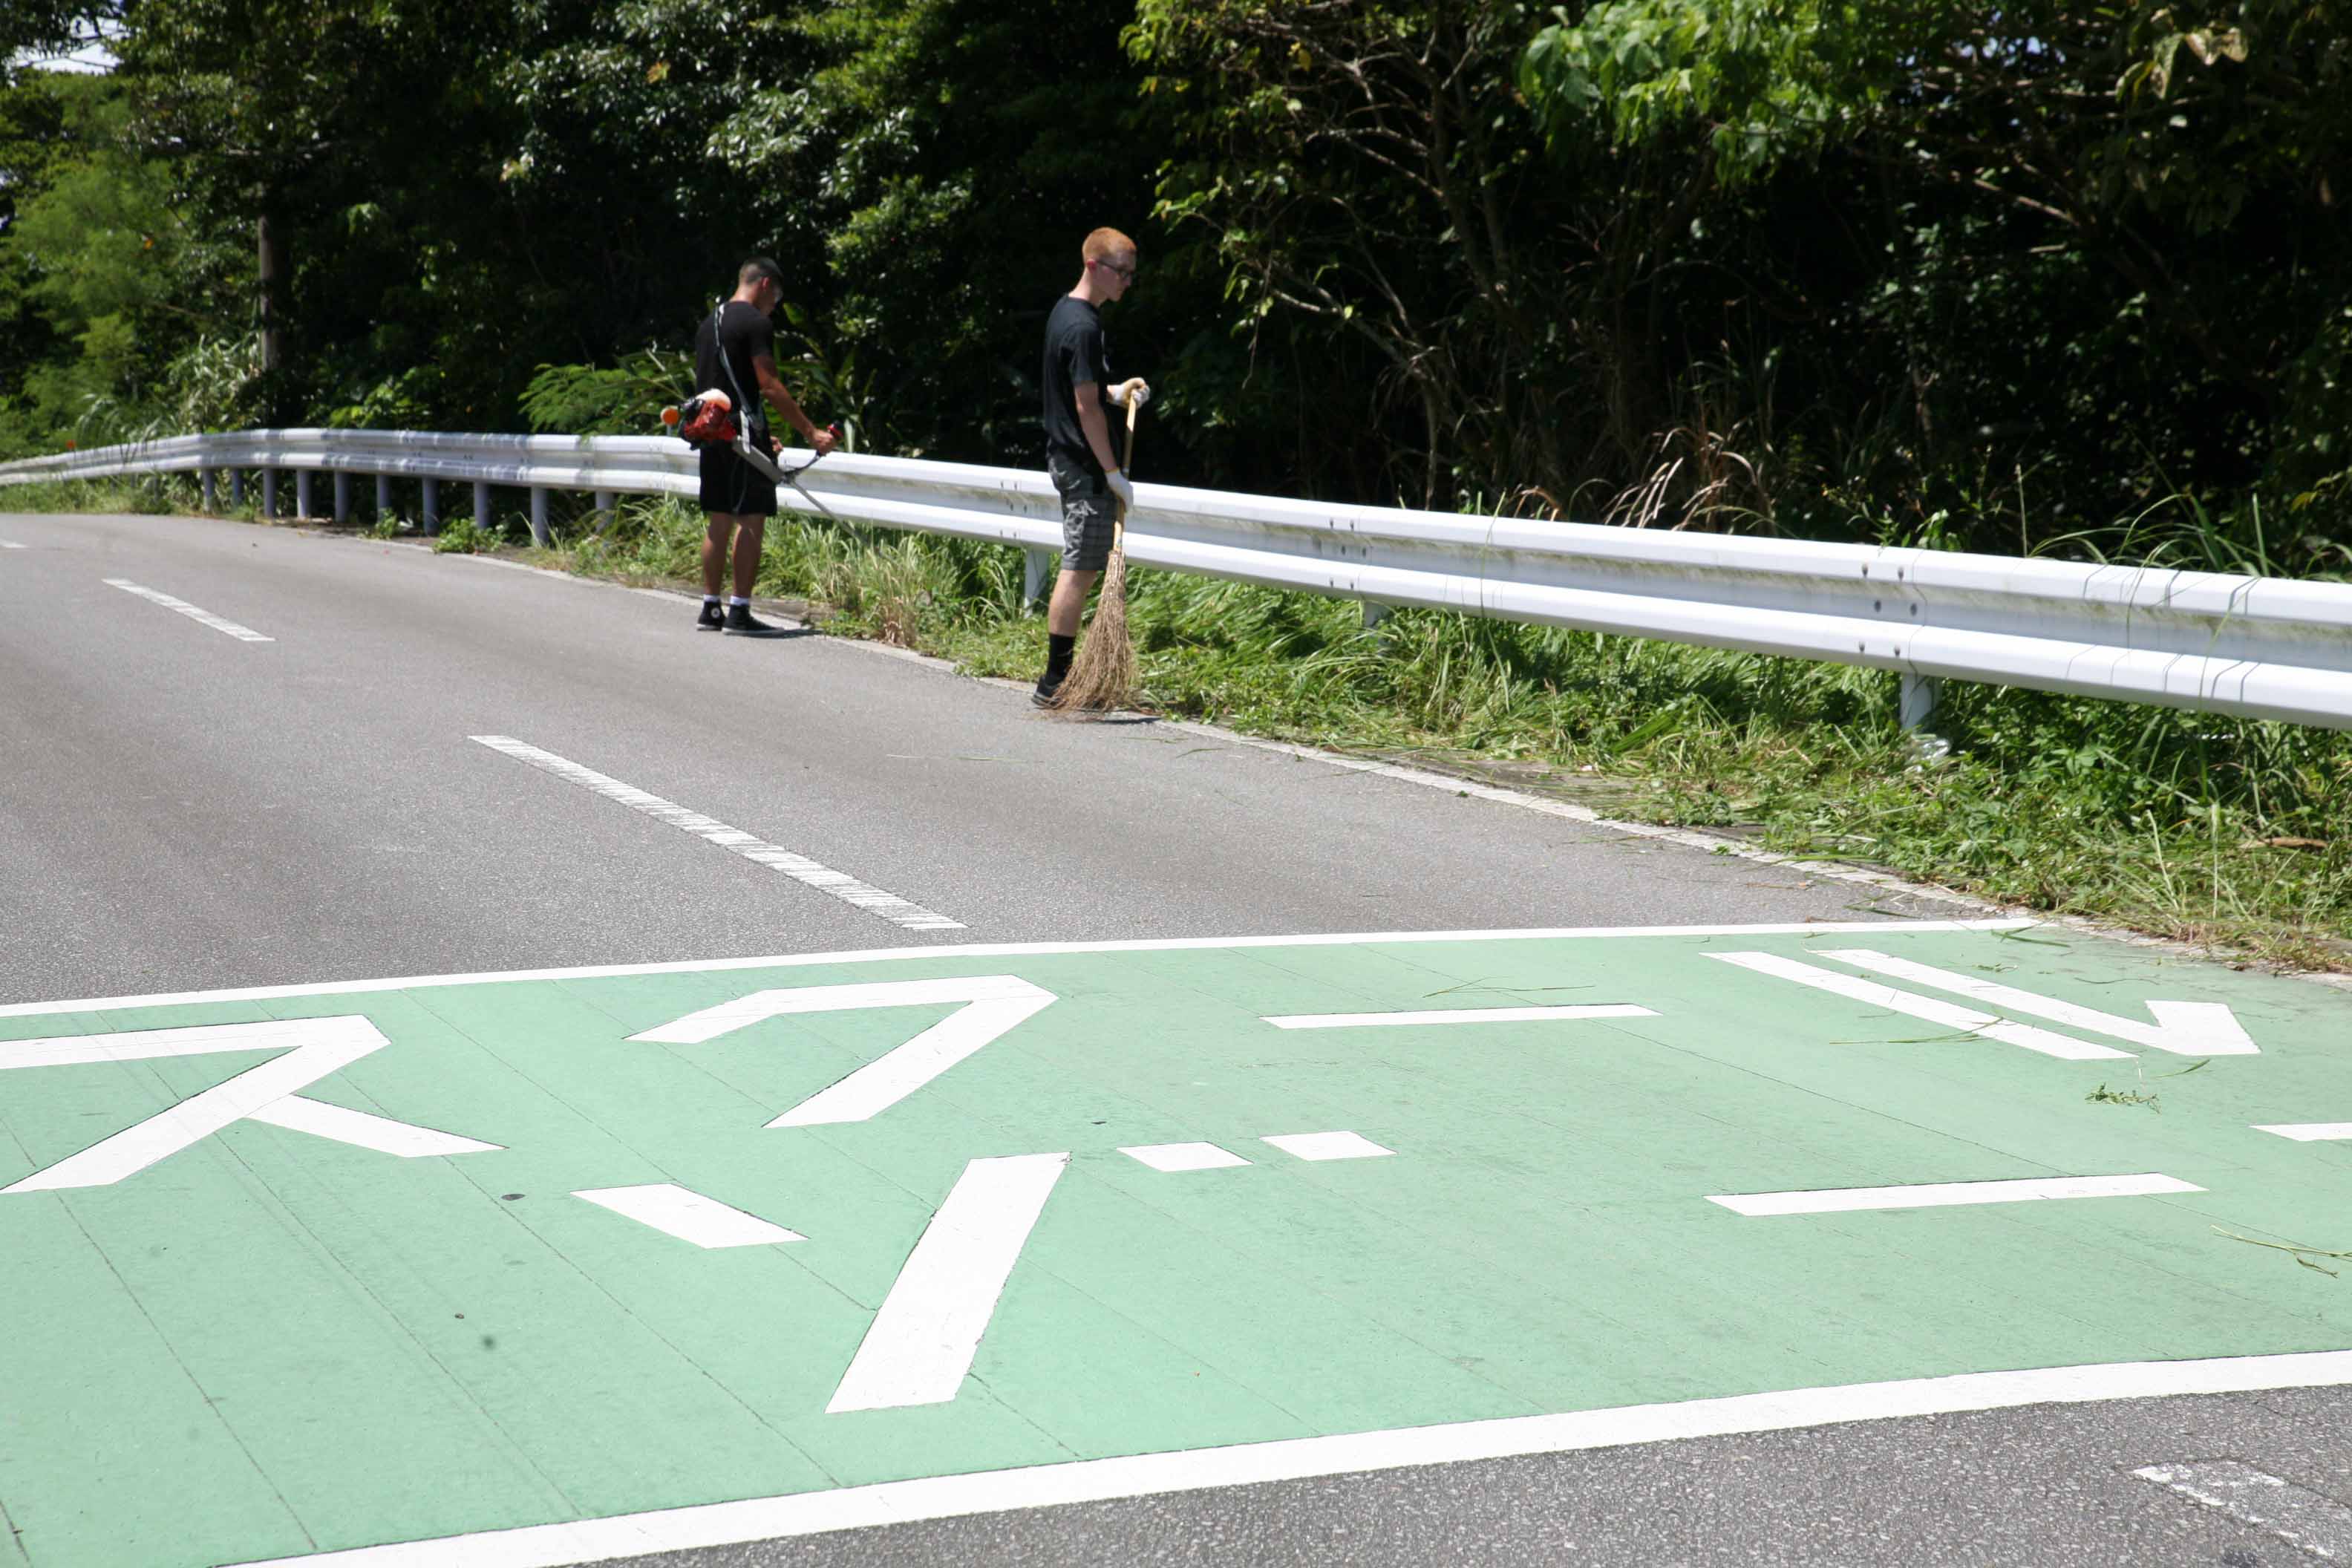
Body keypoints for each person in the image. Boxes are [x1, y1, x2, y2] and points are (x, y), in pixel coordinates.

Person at [1034, 227, 1151, 705]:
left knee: (1082, 565)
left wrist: (1116, 391)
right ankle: (1054, 681)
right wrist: (1110, 473)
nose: (1127, 282)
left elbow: (1083, 388)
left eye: (1131, 274)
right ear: (1094, 266)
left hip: (1071, 459)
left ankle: (1062, 676)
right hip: (1082, 465)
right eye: (1121, 273)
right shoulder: (1084, 326)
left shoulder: (1069, 312)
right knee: (1080, 568)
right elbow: (1085, 409)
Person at [693, 258, 837, 636]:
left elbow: (718, 381)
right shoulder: (756, 323)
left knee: (719, 517)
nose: (774, 306)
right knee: (751, 515)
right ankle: (739, 612)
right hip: (741, 433)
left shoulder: (709, 324)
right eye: (776, 298)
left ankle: (711, 609)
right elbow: (769, 385)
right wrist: (811, 433)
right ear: (764, 285)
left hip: (711, 430)